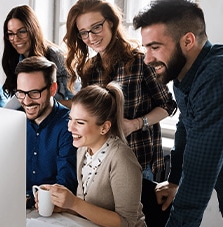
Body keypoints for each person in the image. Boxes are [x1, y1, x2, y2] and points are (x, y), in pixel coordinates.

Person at [133, 1, 223, 226]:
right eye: (145, 48)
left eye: (155, 47)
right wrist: (174, 180)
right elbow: (186, 123)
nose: (147, 59)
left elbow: (199, 177)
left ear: (188, 41)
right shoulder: (188, 72)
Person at [64, 0, 177, 181]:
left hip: (139, 161)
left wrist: (136, 124)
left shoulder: (140, 61)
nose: (91, 37)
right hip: (102, 163)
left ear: (110, 22)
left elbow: (168, 106)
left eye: (96, 27)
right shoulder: (89, 69)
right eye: (84, 33)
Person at [42, 82, 146, 226]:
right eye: (70, 119)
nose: (70, 127)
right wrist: (64, 206)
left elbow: (127, 222)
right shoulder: (83, 150)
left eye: (80, 122)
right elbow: (88, 207)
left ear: (104, 127)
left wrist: (74, 204)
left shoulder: (122, 159)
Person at [14, 56, 77, 209]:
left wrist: (30, 198)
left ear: (52, 89)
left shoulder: (69, 125)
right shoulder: (14, 120)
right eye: (21, 93)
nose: (27, 101)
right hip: (13, 206)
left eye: (34, 93)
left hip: (51, 211)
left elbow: (65, 184)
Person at [2, 5, 73, 107]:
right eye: (11, 34)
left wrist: (45, 106)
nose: (16, 39)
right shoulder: (15, 59)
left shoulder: (56, 56)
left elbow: (77, 102)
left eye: (22, 32)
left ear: (33, 30)